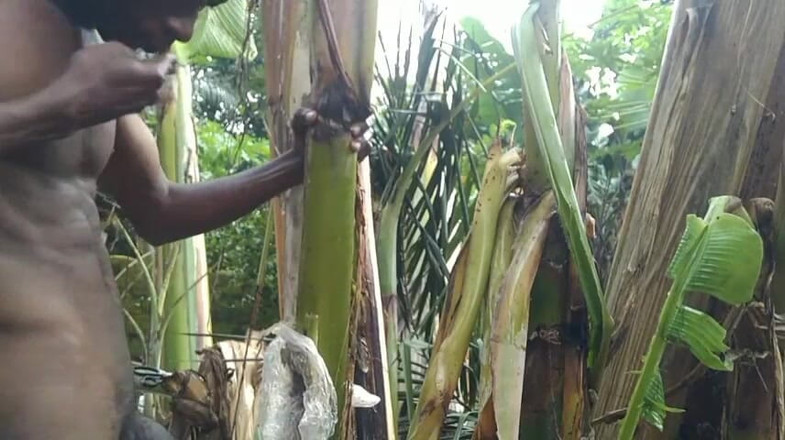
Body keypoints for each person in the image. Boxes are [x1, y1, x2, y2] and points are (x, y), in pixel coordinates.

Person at [0, 0, 368, 438]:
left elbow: (159, 208)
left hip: (120, 423)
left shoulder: (90, 52)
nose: (186, 30)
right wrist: (62, 107)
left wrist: (294, 165)